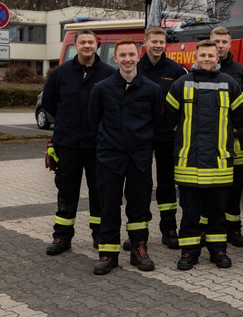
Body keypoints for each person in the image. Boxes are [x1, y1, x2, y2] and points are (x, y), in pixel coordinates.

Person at [164, 40, 243, 271]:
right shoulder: (181, 84)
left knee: (217, 212)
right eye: (203, 55)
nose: (207, 59)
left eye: (211, 55)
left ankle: (218, 251)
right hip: (188, 161)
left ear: (217, 57)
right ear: (196, 57)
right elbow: (169, 120)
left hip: (219, 162)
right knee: (190, 212)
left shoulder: (230, 84)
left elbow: (241, 118)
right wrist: (184, 142)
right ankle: (189, 252)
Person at [88, 39, 164, 275]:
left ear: (138, 55)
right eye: (123, 55)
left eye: (132, 54)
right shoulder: (101, 88)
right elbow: (93, 122)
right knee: (108, 205)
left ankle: (138, 248)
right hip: (109, 158)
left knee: (139, 207)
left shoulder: (152, 89)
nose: (128, 59)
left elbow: (157, 123)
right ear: (115, 58)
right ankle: (108, 253)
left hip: (139, 158)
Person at [41, 30, 115, 256]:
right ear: (75, 45)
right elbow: (49, 103)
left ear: (97, 44)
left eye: (90, 41)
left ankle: (100, 234)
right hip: (68, 144)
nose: (87, 45)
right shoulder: (60, 74)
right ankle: (62, 236)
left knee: (99, 191)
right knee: (66, 191)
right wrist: (67, 124)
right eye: (82, 41)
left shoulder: (109, 73)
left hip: (97, 145)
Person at [136, 26, 187, 249]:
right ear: (145, 42)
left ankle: (169, 228)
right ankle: (139, 230)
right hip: (141, 137)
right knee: (141, 185)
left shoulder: (176, 70)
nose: (158, 45)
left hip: (167, 137)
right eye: (154, 41)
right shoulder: (135, 69)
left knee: (167, 184)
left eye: (161, 42)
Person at [209, 26, 243, 247]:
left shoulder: (241, 71)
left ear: (230, 44)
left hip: (235, 141)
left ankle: (234, 229)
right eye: (216, 41)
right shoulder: (202, 71)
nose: (220, 46)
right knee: (213, 188)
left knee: (234, 188)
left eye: (224, 42)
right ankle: (212, 229)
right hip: (210, 143)